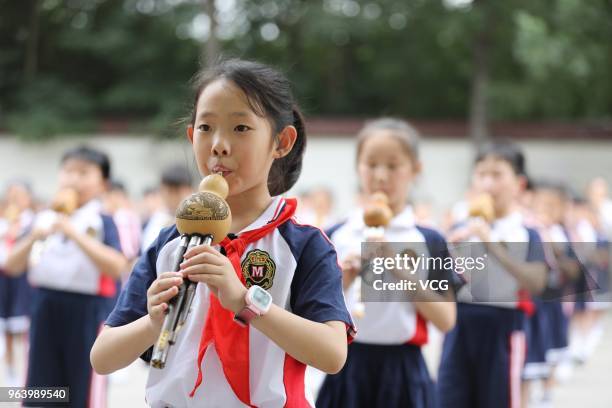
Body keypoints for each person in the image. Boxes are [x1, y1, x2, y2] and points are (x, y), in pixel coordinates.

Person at [91, 58, 355, 407]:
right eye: (205, 128)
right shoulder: (170, 243)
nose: (218, 145)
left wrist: (246, 301)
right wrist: (153, 322)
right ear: (191, 136)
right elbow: (102, 357)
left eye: (240, 128)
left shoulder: (304, 243)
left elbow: (332, 354)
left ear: (282, 142)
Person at [316, 118, 458, 408]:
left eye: (393, 166)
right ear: (358, 167)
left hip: (403, 367)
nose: (381, 176)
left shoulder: (429, 239)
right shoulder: (335, 234)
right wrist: (344, 279)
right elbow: (312, 314)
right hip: (346, 364)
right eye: (371, 164)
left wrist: (397, 266)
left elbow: (446, 319)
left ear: (415, 170)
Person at [4, 146, 126, 407]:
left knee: (82, 385)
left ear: (102, 183)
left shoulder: (102, 220)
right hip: (43, 306)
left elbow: (117, 267)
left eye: (83, 173)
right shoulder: (41, 218)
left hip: (86, 311)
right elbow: (12, 266)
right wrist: (36, 235)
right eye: (68, 171)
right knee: (42, 384)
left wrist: (72, 232)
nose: (73, 179)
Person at [437, 140, 548, 408]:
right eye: (481, 174)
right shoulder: (462, 226)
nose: (487, 183)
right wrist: (449, 251)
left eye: (497, 175)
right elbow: (445, 282)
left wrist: (491, 245)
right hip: (460, 325)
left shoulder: (526, 232)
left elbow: (536, 283)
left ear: (518, 184)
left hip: (504, 327)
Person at [0, 180, 36, 386]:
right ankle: (11, 370)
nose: (14, 200)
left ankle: (26, 371)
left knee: (23, 327)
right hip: (4, 280)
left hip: (23, 281)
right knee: (6, 327)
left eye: (19, 195)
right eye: (11, 195)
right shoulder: (4, 222)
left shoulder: (33, 224)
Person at [140, 164, 194, 252]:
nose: (171, 197)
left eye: (176, 192)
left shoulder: (197, 221)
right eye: (168, 191)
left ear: (189, 190)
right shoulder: (155, 219)